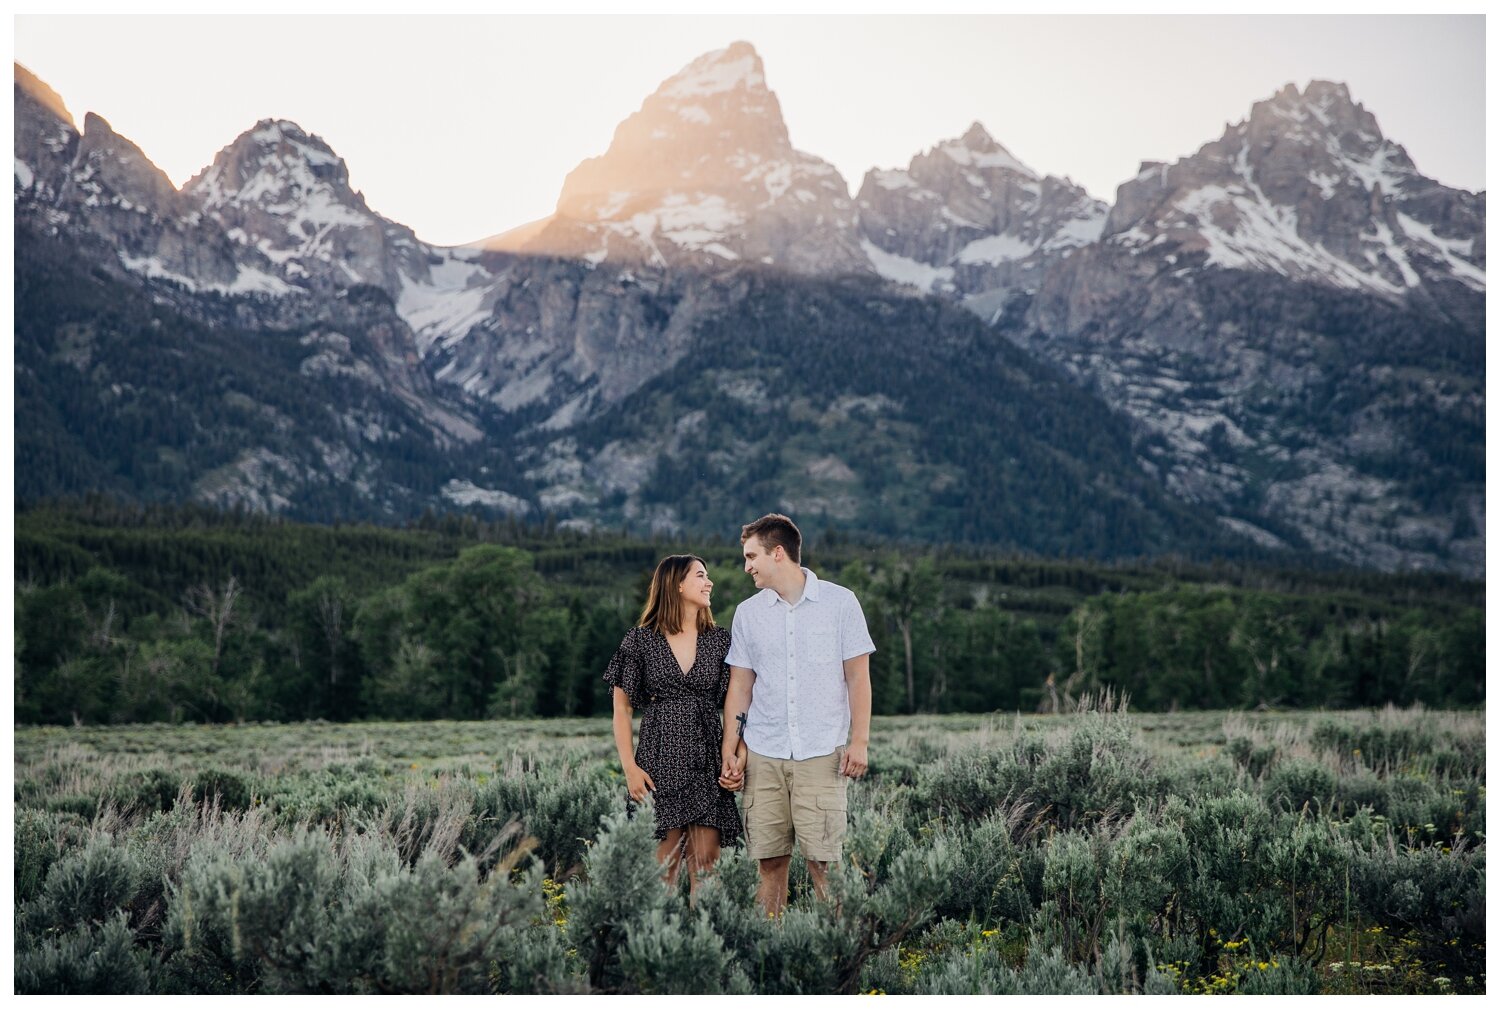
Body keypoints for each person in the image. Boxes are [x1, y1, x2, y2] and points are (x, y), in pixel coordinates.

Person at [719, 514, 875, 917]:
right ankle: (771, 953)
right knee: (769, 862)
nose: (746, 566)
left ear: (778, 552)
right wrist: (731, 750)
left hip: (822, 754)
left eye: (752, 556)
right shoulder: (747, 613)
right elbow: (740, 686)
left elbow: (858, 678)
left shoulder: (841, 603)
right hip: (764, 755)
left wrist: (859, 742)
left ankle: (835, 957)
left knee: (824, 864)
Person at [605, 554, 746, 893]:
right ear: (677, 584)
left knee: (707, 867)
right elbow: (622, 710)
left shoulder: (720, 640)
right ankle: (660, 943)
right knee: (661, 869)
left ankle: (700, 942)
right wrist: (629, 768)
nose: (709, 582)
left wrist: (738, 755)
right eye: (700, 575)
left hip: (707, 763)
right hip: (657, 763)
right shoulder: (640, 640)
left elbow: (737, 704)